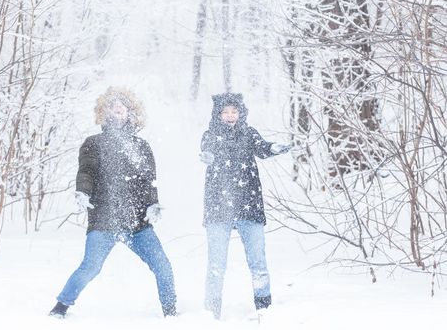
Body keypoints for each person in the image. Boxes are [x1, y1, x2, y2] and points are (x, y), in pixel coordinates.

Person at [49, 87, 177, 318]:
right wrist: (83, 192)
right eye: (113, 106)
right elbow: (86, 171)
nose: (118, 109)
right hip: (104, 221)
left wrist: (152, 203)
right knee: (90, 268)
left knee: (163, 266)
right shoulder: (93, 143)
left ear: (130, 113)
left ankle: (171, 312)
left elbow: (149, 181)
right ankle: (60, 307)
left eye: (123, 106)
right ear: (105, 112)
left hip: (137, 223)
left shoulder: (141, 146)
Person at [199, 92, 290, 319]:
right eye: (226, 112)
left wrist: (274, 148)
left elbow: (262, 147)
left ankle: (264, 310)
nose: (230, 116)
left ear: (241, 113)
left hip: (249, 205)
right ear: (218, 115)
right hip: (218, 208)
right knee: (216, 265)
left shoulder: (249, 134)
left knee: (258, 263)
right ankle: (210, 314)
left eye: (234, 111)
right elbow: (206, 150)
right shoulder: (210, 135)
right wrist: (207, 156)